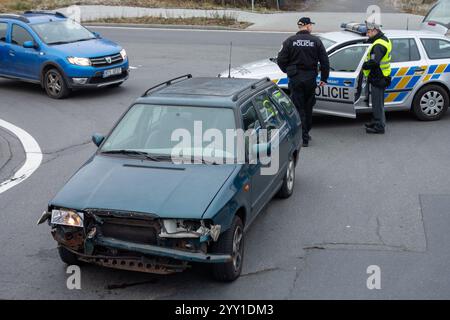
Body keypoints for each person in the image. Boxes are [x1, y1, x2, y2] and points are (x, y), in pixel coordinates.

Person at [277, 17, 330, 147]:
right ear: (306, 26)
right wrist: (324, 78)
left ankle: (302, 135)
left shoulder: (290, 41)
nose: (312, 27)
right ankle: (305, 135)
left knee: (298, 106)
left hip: (295, 78)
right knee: (308, 106)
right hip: (310, 78)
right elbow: (325, 61)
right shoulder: (316, 41)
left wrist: (288, 71)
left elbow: (281, 60)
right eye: (311, 25)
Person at [362, 21, 392, 134]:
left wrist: (363, 65)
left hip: (379, 77)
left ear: (375, 31)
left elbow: (374, 62)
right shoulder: (384, 39)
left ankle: (379, 127)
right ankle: (375, 121)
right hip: (382, 76)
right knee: (377, 102)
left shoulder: (378, 45)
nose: (367, 34)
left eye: (369, 32)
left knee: (378, 103)